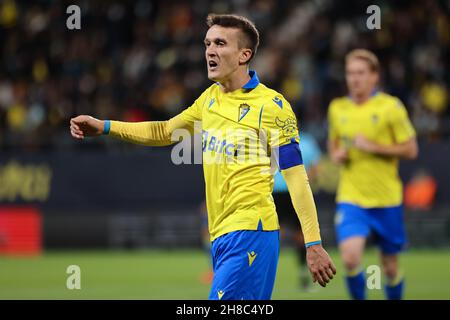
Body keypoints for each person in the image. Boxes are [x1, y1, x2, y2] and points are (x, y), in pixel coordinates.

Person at [70, 14, 336, 300]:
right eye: (207, 43)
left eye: (220, 43)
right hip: (221, 235)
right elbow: (164, 130)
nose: (210, 50)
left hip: (251, 231)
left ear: (244, 54)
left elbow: (297, 177)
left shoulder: (272, 106)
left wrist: (314, 243)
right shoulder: (209, 99)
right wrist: (106, 126)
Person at [327, 49, 418, 300]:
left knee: (389, 267)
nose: (354, 79)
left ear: (374, 76)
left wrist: (374, 146)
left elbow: (411, 149)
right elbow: (333, 144)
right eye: (350, 73)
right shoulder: (337, 108)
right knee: (350, 257)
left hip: (386, 199)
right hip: (352, 197)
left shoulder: (390, 107)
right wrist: (336, 155)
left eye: (360, 73)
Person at [272, 131, 322, 291]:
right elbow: (315, 170)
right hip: (295, 191)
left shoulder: (270, 137)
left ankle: (257, 275)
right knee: (300, 236)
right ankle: (304, 277)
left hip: (273, 192)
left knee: (268, 233)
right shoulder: (306, 142)